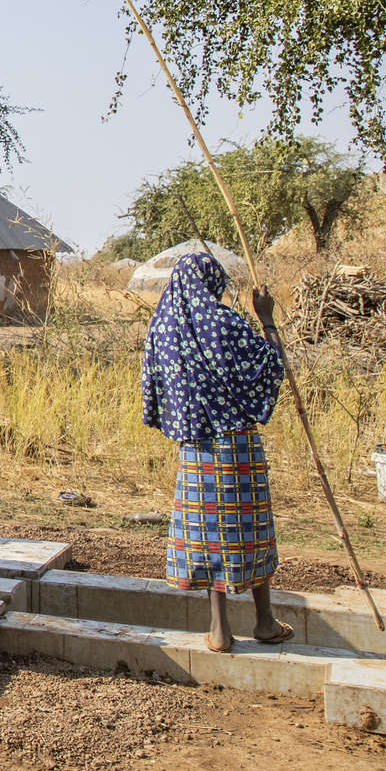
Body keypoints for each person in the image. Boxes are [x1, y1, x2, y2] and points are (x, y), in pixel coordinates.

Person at [142, 252, 292, 653]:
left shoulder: (161, 328)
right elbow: (271, 366)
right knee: (249, 526)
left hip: (194, 448)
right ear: (213, 282)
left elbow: (152, 393)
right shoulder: (224, 323)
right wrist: (266, 318)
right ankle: (263, 621)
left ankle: (220, 629)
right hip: (238, 441)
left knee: (209, 532)